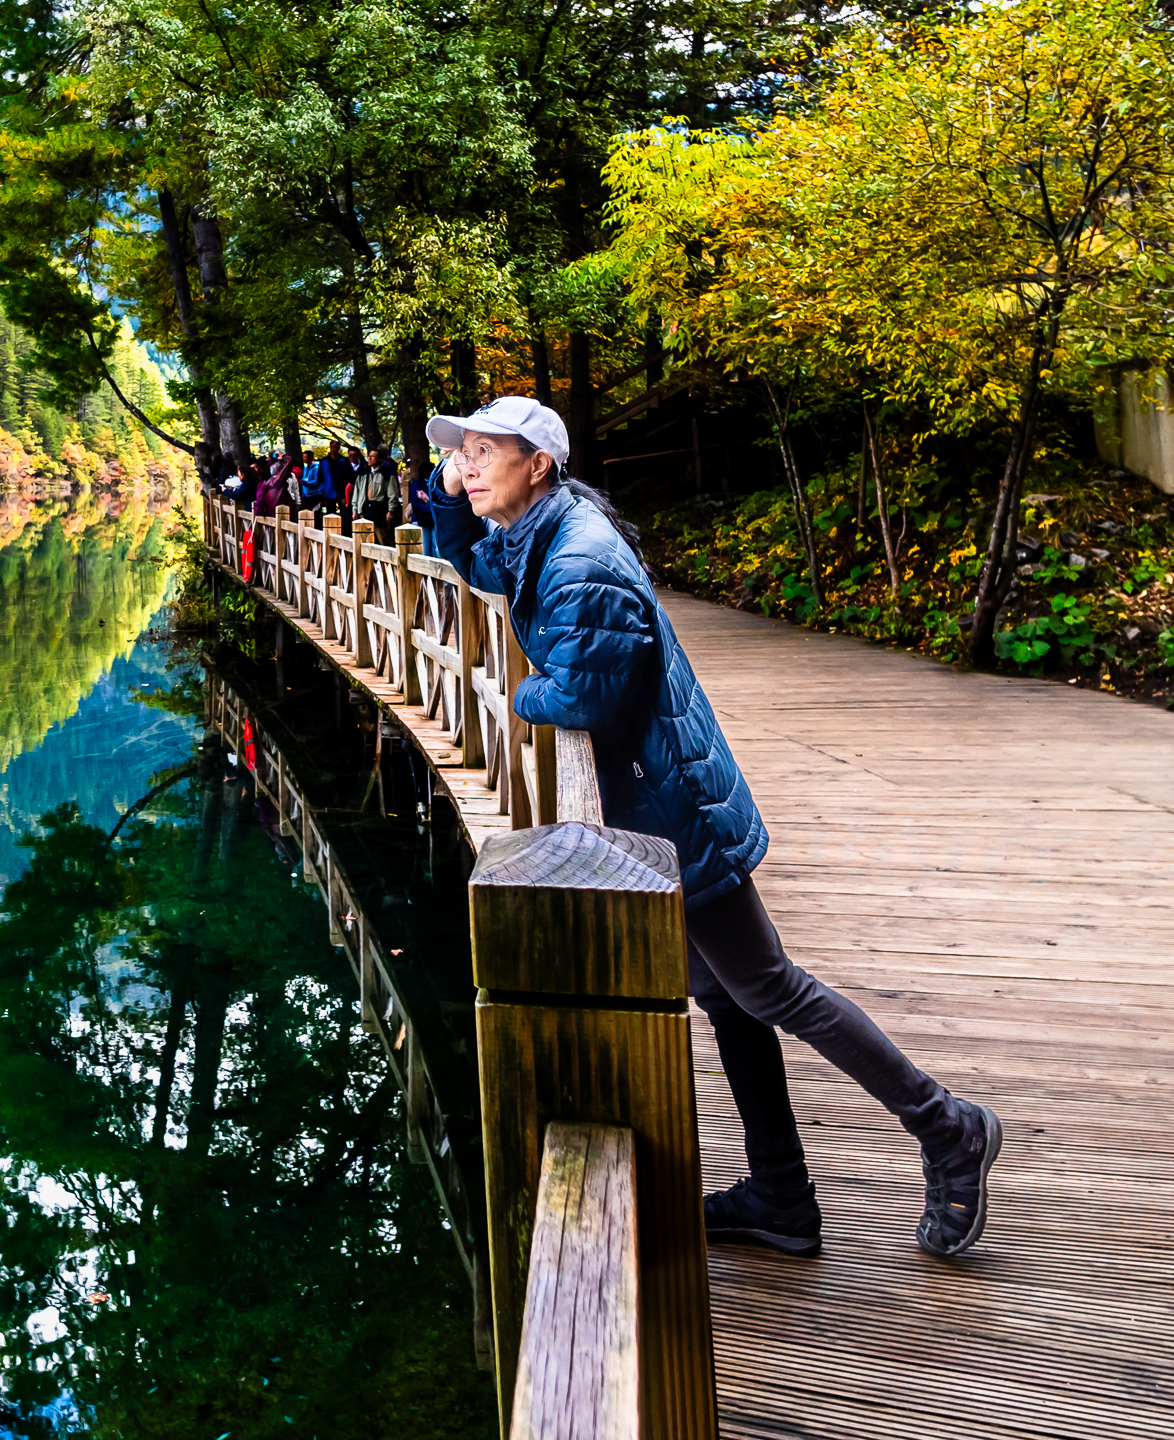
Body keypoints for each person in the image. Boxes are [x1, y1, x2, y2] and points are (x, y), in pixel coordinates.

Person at [421, 394, 1002, 1259]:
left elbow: (583, 696)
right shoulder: (546, 533)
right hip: (660, 792)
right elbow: (483, 568)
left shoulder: (579, 557)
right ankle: (781, 1194)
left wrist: (521, 691)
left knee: (769, 988)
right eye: (457, 453)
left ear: (537, 463)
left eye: (479, 452)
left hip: (673, 800)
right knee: (727, 995)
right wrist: (445, 498)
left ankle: (948, 1126)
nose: (463, 466)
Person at [349, 445, 393, 532]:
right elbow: (356, 493)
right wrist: (354, 509)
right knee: (364, 540)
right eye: (368, 456)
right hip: (363, 512)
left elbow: (392, 494)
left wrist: (391, 511)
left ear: (380, 459)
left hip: (379, 512)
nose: (369, 458)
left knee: (382, 539)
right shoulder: (362, 475)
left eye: (372, 457)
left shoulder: (386, 474)